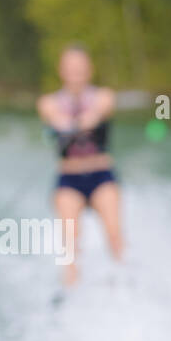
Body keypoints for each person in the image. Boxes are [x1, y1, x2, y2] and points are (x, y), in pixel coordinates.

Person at [36, 44, 123, 287]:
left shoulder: (103, 96)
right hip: (69, 179)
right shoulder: (49, 102)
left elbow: (102, 109)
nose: (76, 72)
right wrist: (65, 123)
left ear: (89, 69)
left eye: (80, 67)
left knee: (115, 235)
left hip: (101, 175)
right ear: (61, 71)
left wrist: (88, 118)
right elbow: (53, 116)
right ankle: (71, 292)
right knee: (71, 243)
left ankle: (127, 282)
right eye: (71, 67)